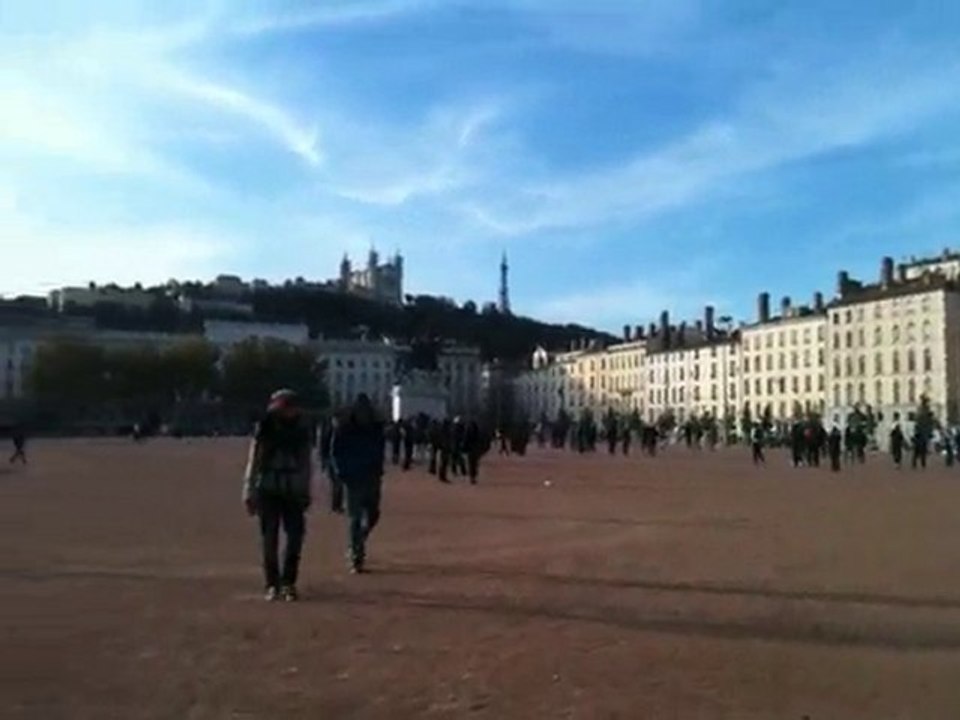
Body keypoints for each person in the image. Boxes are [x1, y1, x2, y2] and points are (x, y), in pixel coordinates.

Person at [242, 390, 313, 602]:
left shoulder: (301, 432)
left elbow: (306, 464)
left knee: (295, 537)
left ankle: (288, 582)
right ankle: (272, 583)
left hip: (293, 488)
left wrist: (305, 490)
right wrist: (248, 490)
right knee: (269, 538)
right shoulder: (264, 429)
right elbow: (254, 461)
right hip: (268, 488)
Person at [331, 394, 386, 574]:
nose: (364, 415)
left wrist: (379, 467)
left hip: (372, 475)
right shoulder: (345, 429)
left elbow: (380, 449)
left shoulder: (376, 428)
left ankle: (359, 540)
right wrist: (341, 472)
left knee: (373, 515)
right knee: (355, 517)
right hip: (353, 477)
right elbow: (336, 451)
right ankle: (356, 555)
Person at [463, 420, 486, 484]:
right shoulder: (478, 432)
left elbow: (465, 440)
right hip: (476, 449)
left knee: (471, 463)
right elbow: (481, 440)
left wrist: (464, 448)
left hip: (470, 449)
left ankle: (472, 477)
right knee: (475, 463)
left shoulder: (468, 432)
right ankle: (474, 476)